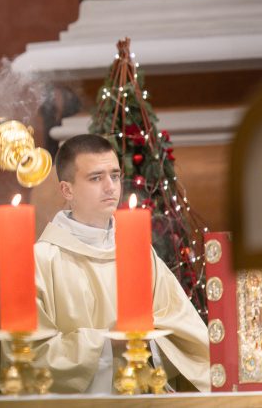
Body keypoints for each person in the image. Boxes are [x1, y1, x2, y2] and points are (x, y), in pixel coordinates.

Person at [33, 134, 210, 393]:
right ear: (67, 190)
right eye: (96, 178)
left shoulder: (139, 252)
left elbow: (187, 332)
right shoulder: (42, 260)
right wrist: (106, 342)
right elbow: (32, 355)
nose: (110, 187)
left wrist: (146, 338)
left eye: (114, 176)